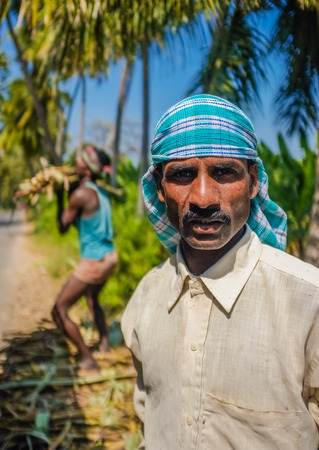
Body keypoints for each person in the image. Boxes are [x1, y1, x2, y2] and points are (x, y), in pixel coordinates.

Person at [121, 95, 319, 449]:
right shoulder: (146, 298)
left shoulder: (308, 302)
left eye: (224, 172)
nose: (203, 197)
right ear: (160, 188)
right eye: (182, 175)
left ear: (253, 181)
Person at [52, 145, 118, 370]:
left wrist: (60, 197)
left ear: (87, 170)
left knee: (58, 310)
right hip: (110, 257)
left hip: (94, 262)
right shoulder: (100, 192)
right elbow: (82, 225)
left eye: (79, 161)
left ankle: (87, 358)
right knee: (92, 300)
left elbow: (62, 227)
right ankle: (105, 343)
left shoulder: (80, 194)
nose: (75, 162)